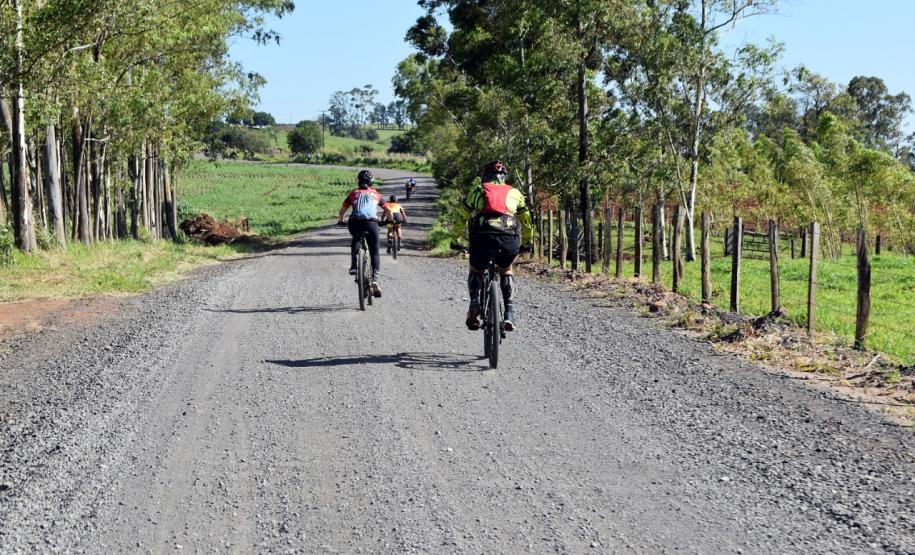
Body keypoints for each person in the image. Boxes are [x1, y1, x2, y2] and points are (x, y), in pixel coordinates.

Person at [463, 160, 532, 331]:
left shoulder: (478, 190)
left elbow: (460, 215)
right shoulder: (515, 192)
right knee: (506, 269)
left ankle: (474, 303)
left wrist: (455, 240)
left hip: (482, 237)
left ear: (485, 177)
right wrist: (527, 243)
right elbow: (526, 220)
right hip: (508, 238)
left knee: (476, 269)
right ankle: (509, 312)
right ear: (504, 177)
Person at [337, 169, 386, 297]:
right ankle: (374, 278)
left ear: (358, 181)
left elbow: (342, 211)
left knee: (356, 238)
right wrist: (387, 221)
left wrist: (341, 221)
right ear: (371, 182)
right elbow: (389, 210)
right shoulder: (376, 194)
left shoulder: (353, 193)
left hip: (356, 222)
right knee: (374, 251)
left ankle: (354, 265)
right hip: (372, 224)